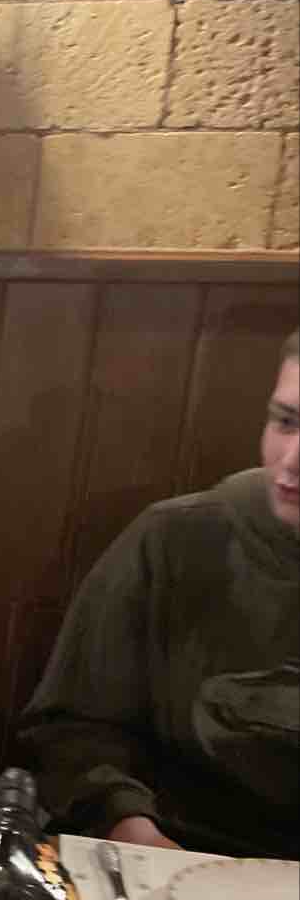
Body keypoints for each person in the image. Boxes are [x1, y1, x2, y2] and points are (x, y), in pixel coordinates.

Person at [18, 330, 299, 859]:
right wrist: (130, 827)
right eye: (286, 422)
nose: (292, 460)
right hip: (165, 855)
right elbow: (70, 729)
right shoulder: (175, 538)